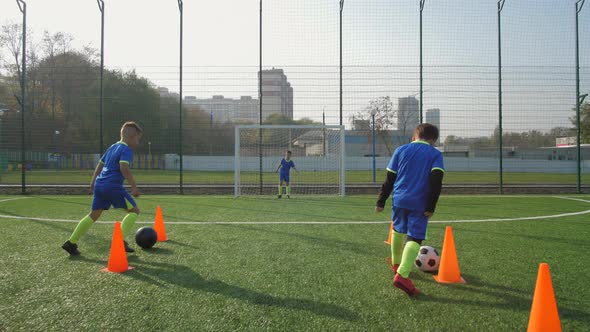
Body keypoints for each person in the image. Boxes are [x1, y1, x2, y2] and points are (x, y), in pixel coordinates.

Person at [375, 123, 444, 296]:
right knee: (415, 237)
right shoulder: (435, 154)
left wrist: (381, 201)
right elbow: (436, 181)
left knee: (398, 230)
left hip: (399, 199)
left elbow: (389, 178)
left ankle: (397, 264)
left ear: (415, 136)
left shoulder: (401, 150)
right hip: (419, 202)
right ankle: (402, 275)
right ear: (433, 140)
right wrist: (431, 206)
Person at [62, 122, 143, 256]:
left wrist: (92, 184)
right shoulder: (127, 150)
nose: (138, 142)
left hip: (100, 185)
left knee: (93, 214)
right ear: (131, 136)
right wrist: (134, 187)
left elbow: (99, 165)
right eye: (137, 138)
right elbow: (124, 168)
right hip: (113, 187)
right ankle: (119, 243)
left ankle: (71, 242)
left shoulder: (112, 148)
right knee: (134, 211)